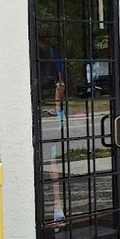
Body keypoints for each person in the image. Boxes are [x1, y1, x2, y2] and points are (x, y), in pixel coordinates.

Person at [38, 34, 66, 224]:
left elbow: (61, 85)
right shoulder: (43, 57)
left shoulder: (51, 56)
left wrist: (57, 110)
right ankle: (56, 206)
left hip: (52, 116)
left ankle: (57, 206)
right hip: (48, 114)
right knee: (49, 163)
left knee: (51, 162)